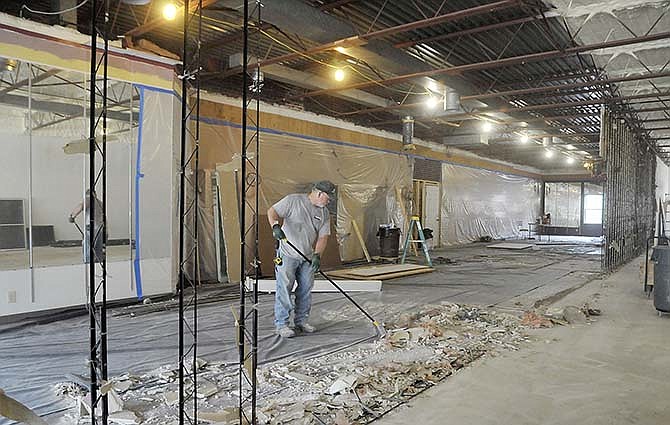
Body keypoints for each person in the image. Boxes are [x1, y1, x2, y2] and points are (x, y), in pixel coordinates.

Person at [267, 180, 335, 338]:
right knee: (284, 288)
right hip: (287, 254)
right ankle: (282, 324)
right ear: (319, 193)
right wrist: (275, 226)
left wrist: (317, 255)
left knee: (305, 289)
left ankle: (301, 321)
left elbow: (323, 237)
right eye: (328, 197)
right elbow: (272, 211)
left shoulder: (324, 213)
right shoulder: (293, 201)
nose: (329, 200)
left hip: (307, 257)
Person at [69, 189, 105, 264]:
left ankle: (88, 261)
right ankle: (99, 261)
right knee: (98, 247)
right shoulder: (100, 203)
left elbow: (81, 206)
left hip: (90, 227)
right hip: (100, 228)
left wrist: (72, 216)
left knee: (87, 245)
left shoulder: (88, 200)